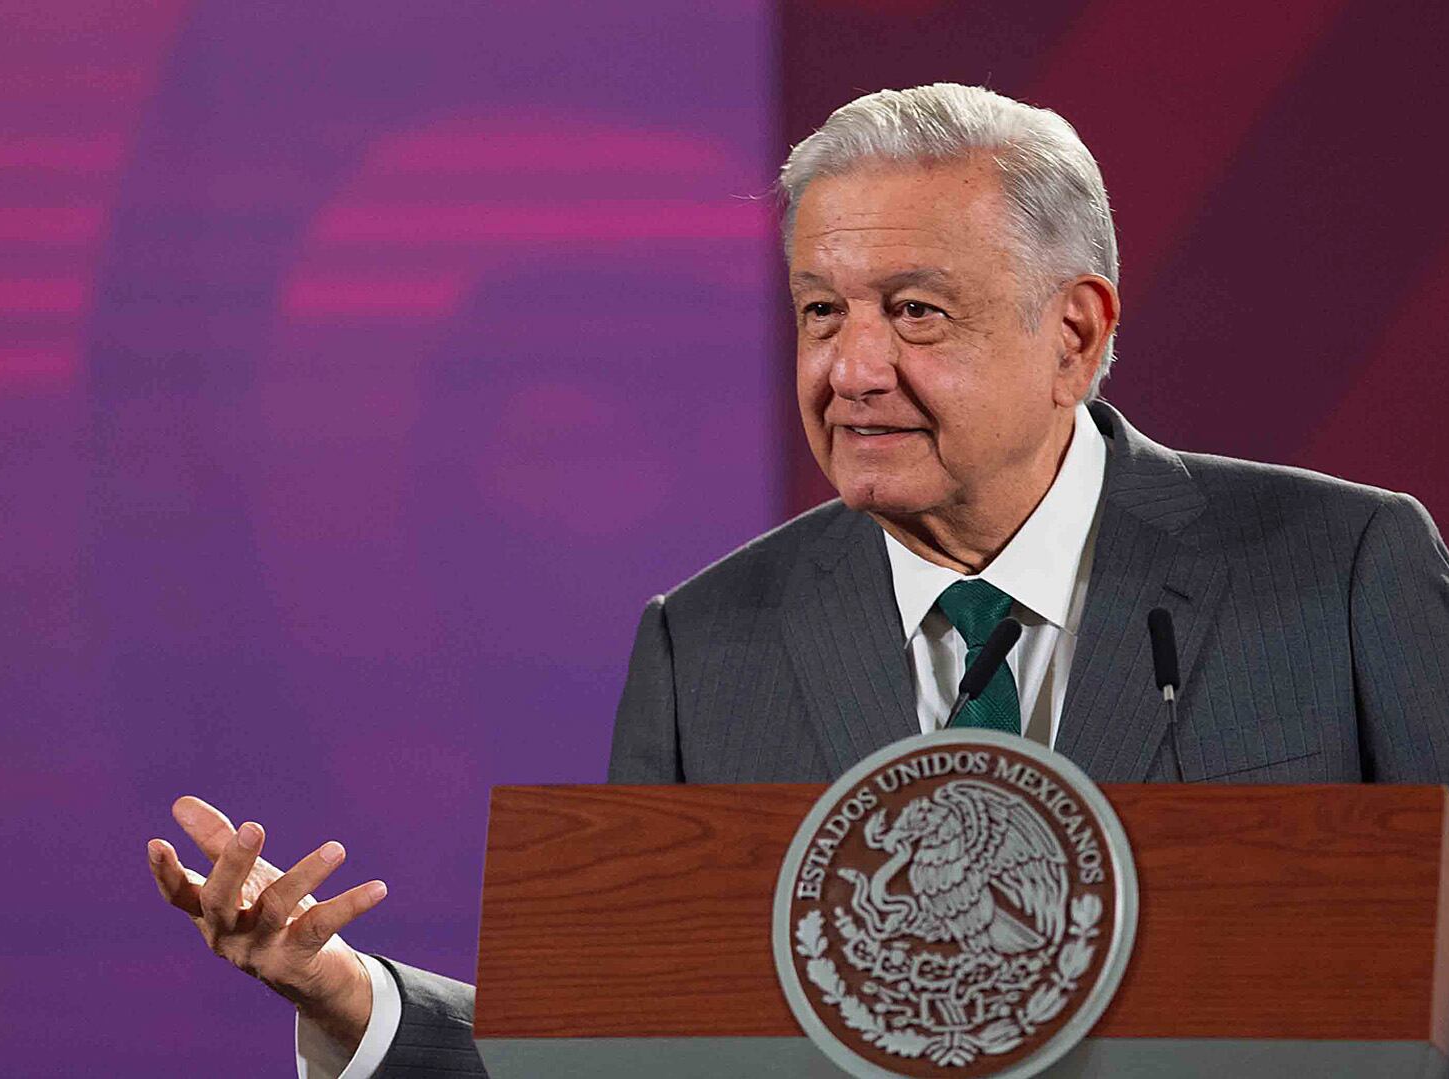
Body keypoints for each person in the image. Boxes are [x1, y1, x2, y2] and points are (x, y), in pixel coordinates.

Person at [146, 83, 1449, 1077]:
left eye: (915, 311)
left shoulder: (1341, 574)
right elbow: (637, 1053)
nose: (851, 370)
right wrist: (355, 1003)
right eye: (823, 311)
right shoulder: (709, 645)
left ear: (1076, 331)